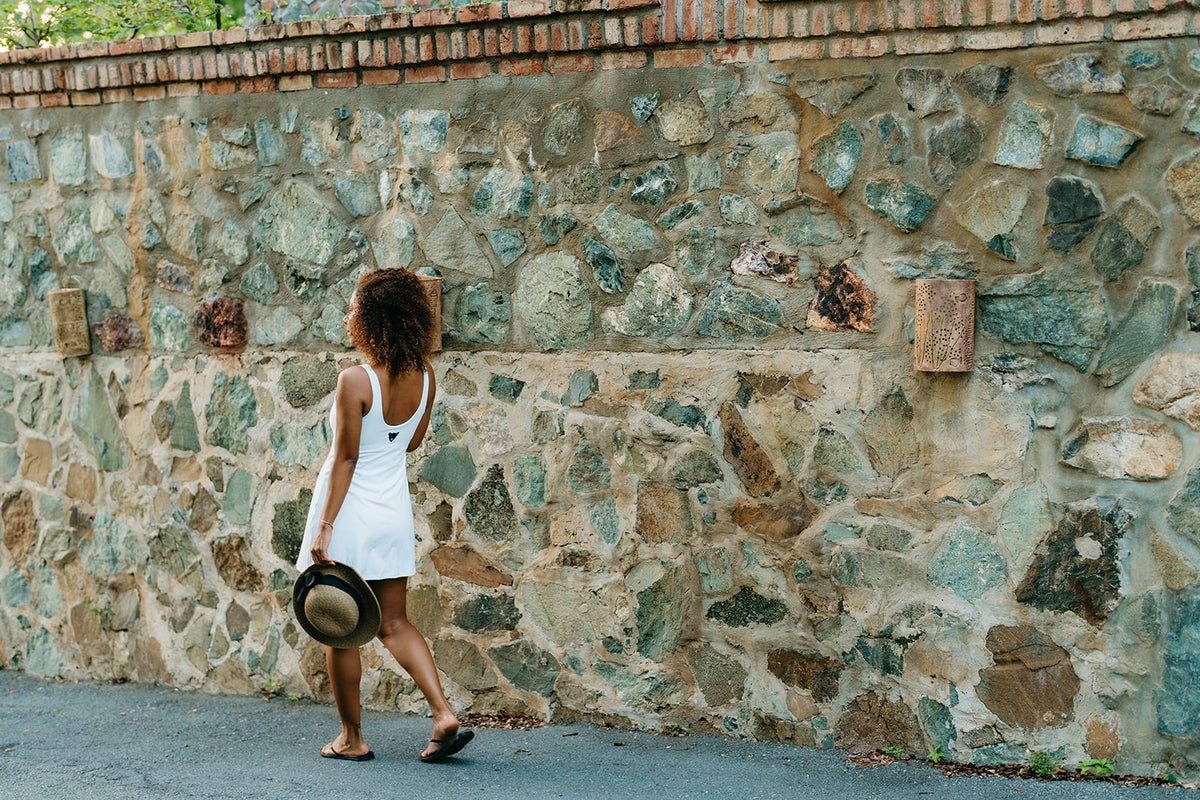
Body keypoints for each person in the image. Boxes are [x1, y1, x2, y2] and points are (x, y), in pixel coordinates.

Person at [295, 267, 473, 763]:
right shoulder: (426, 377)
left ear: (371, 319)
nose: (349, 314)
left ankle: (352, 738)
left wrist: (326, 526)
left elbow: (346, 458)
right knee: (394, 622)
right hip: (392, 512)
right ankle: (441, 714)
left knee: (339, 626)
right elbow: (411, 441)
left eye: (354, 307)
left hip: (349, 514)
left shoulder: (354, 379)